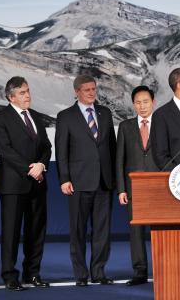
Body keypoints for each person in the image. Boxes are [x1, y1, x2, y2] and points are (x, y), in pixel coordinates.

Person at [55, 75, 116, 286]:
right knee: (78, 230)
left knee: (102, 231)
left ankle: (98, 272)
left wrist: (115, 178)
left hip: (104, 182)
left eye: (93, 89)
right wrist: (64, 179)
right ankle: (81, 274)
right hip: (78, 182)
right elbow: (61, 151)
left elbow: (112, 148)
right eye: (87, 90)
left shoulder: (105, 113)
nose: (91, 93)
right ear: (76, 92)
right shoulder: (65, 116)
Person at [0, 77, 52, 291]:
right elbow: (5, 150)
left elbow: (46, 147)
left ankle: (32, 273)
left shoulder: (35, 116)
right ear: (11, 97)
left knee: (36, 230)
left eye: (28, 91)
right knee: (11, 232)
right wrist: (30, 168)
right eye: (22, 93)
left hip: (38, 182)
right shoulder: (0, 118)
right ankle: (9, 276)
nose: (27, 95)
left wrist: (41, 166)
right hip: (13, 184)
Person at [116, 86, 159, 286]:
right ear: (134, 105)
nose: (142, 106)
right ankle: (140, 271)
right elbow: (120, 160)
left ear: (153, 102)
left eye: (145, 101)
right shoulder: (125, 127)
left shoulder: (162, 124)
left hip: (160, 186)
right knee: (136, 233)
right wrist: (121, 189)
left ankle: (162, 267)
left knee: (160, 231)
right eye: (138, 102)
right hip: (134, 188)